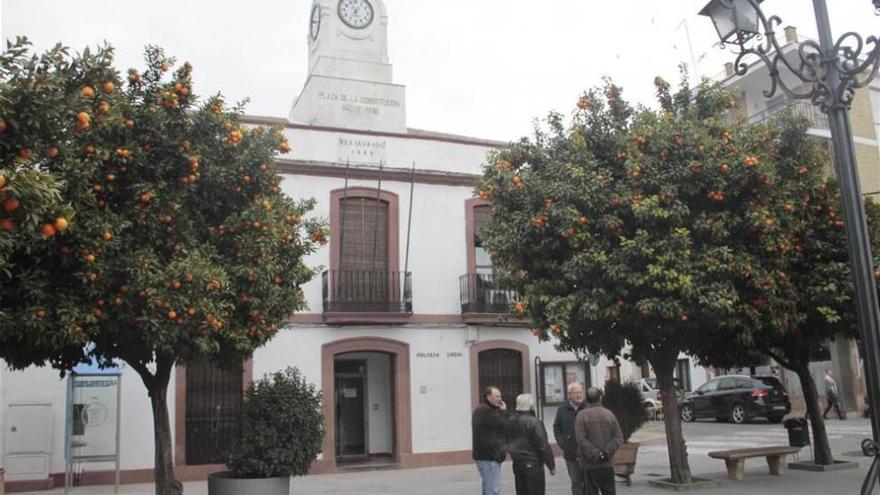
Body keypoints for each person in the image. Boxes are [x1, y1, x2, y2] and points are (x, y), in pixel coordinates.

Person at [575, 387, 623, 495]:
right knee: (609, 491)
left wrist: (595, 454)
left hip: (589, 464)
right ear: (600, 398)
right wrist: (606, 453)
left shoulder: (582, 416)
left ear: (586, 399)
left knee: (590, 492)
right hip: (607, 464)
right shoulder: (609, 414)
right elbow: (618, 437)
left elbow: (581, 440)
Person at [505, 394, 556, 495]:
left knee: (521, 491)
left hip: (518, 463)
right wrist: (551, 465)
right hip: (533, 464)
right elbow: (543, 446)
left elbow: (507, 441)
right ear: (531, 406)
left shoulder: (510, 421)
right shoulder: (535, 422)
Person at [553, 382, 587, 495]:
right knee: (576, 482)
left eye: (581, 392)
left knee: (589, 482)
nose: (579, 395)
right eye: (576, 393)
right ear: (569, 395)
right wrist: (563, 443)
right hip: (571, 453)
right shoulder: (562, 408)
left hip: (588, 452)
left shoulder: (588, 406)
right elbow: (556, 427)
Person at [473, 386, 508, 495]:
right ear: (488, 397)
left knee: (488, 487)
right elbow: (504, 426)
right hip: (489, 457)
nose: (500, 399)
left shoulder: (483, 410)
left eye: (500, 396)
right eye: (497, 396)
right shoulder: (486, 412)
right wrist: (504, 412)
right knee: (493, 490)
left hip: (485, 456)